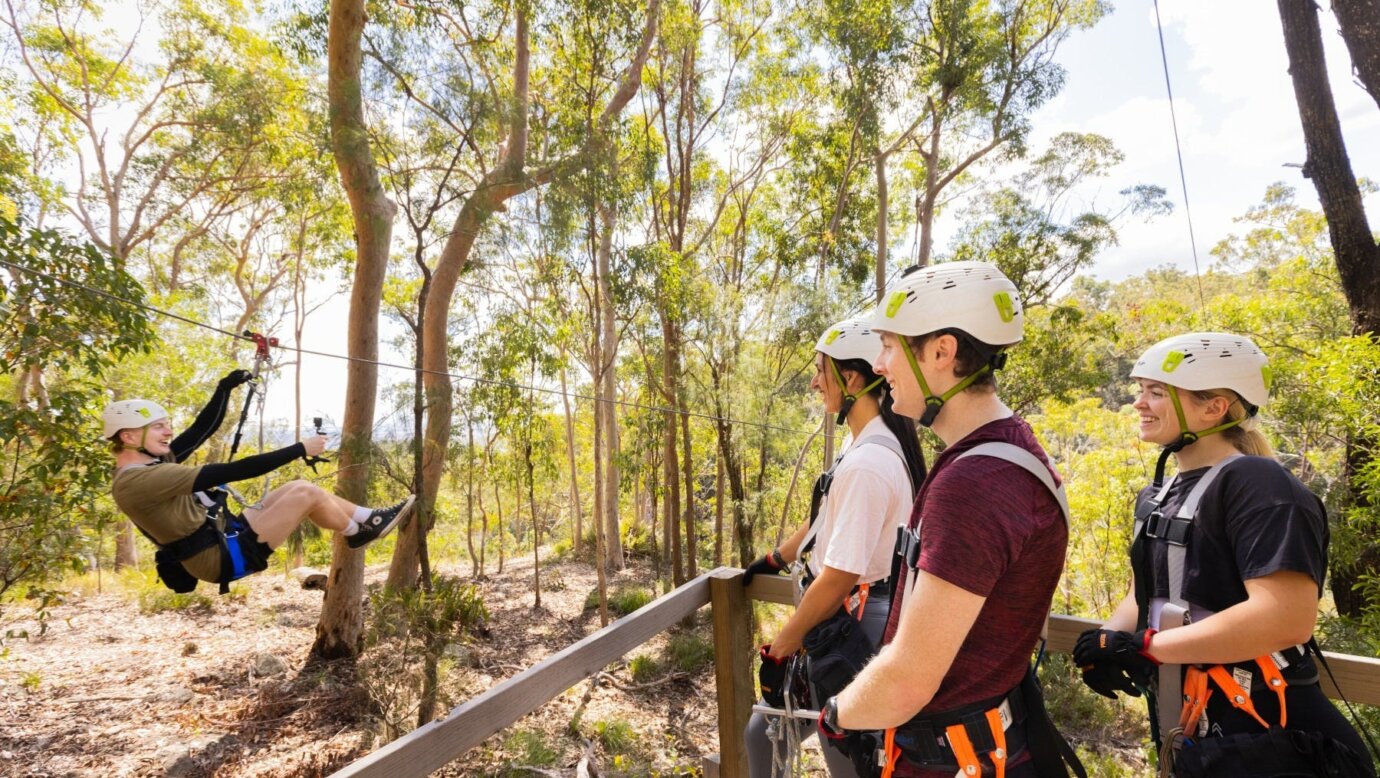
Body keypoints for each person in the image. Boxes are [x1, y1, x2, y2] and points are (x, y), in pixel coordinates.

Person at [817, 261, 1083, 778]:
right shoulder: (1011, 449)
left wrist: (836, 715)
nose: (880, 363)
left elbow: (908, 679)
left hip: (955, 758)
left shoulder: (975, 482)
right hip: (994, 741)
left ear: (942, 352)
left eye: (890, 346)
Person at [1072, 332, 1375, 777]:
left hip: (1271, 736)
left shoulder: (1259, 486)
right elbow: (1145, 593)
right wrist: (1105, 641)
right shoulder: (1158, 495)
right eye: (1141, 390)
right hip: (1197, 726)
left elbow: (1284, 618)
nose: (1138, 403)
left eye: (1156, 392)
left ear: (1214, 407)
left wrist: (1148, 649)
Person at [741, 318, 926, 777]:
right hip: (848, 623)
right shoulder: (867, 446)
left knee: (843, 756)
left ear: (852, 379)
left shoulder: (868, 463)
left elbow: (840, 575)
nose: (813, 381)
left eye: (821, 370)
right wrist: (776, 558)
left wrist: (781, 648)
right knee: (768, 732)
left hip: (850, 628)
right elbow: (827, 520)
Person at [104, 369, 414, 592]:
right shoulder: (138, 481)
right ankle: (358, 531)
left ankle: (366, 520)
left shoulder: (153, 461)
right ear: (129, 436)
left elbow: (200, 431)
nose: (168, 433)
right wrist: (299, 449)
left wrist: (224, 389)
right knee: (305, 495)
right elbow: (232, 471)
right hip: (218, 558)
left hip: (221, 535)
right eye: (158, 427)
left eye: (166, 426)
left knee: (298, 487)